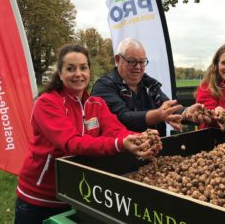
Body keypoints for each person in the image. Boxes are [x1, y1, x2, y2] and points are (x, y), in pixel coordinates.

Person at [14, 44, 159, 224]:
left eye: (83, 67)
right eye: (70, 68)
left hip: (79, 194)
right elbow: (72, 143)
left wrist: (140, 137)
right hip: (40, 199)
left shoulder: (96, 104)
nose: (78, 74)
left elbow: (115, 130)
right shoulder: (47, 103)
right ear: (59, 73)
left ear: (89, 71)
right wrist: (120, 144)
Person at [91, 38, 204, 136]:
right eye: (132, 61)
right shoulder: (104, 87)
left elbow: (167, 107)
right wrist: (159, 115)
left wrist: (187, 112)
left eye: (142, 62)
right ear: (117, 59)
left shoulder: (149, 84)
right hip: (121, 155)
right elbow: (123, 117)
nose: (138, 67)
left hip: (154, 151)